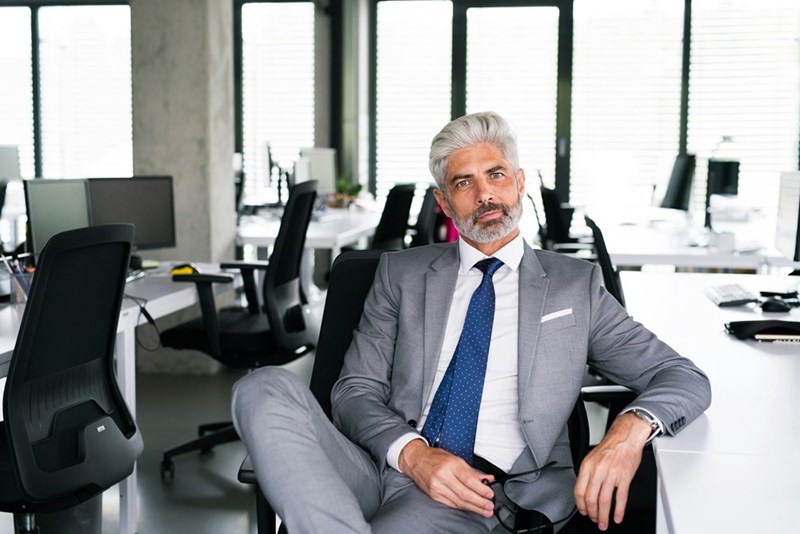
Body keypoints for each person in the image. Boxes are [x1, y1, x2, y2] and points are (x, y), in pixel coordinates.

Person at [232, 111, 711, 533]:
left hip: (476, 492)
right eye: (464, 183)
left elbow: (682, 377)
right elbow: (354, 390)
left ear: (520, 183)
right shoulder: (401, 273)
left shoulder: (574, 286)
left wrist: (628, 431)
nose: (484, 194)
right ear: (444, 203)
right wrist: (413, 455)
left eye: (496, 174)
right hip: (378, 462)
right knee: (261, 388)